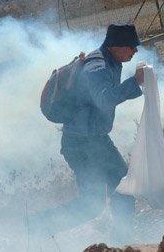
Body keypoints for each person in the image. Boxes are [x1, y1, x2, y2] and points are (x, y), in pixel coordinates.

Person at [44, 22, 144, 243]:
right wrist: (135, 83)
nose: (135, 51)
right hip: (80, 144)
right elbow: (104, 99)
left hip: (95, 140)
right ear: (117, 45)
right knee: (92, 205)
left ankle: (123, 241)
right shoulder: (97, 67)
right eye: (131, 46)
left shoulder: (110, 60)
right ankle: (36, 226)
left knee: (124, 188)